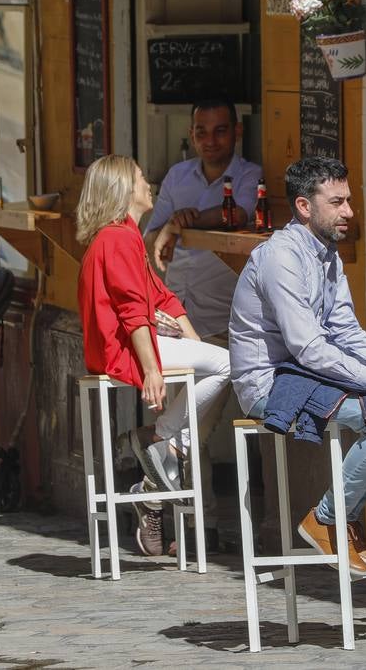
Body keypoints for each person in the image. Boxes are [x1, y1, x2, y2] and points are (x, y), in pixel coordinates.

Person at [230, 156, 366, 580]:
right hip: (270, 382)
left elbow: (346, 331)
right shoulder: (279, 258)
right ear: (305, 206)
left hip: (307, 374)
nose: (349, 212)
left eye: (349, 201)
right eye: (338, 202)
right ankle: (327, 518)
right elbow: (307, 347)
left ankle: (340, 514)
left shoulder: (328, 256)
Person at [76, 154, 234, 557]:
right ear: (124, 190)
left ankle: (159, 457)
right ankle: (160, 440)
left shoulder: (124, 233)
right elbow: (132, 310)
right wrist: (151, 370)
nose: (151, 183)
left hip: (128, 343)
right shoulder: (118, 238)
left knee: (215, 362)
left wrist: (194, 340)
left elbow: (159, 295)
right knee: (227, 364)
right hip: (124, 349)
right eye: (142, 178)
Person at [146, 98, 262, 339]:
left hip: (224, 319)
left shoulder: (249, 174)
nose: (210, 141)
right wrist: (170, 227)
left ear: (237, 131)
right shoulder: (177, 175)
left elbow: (238, 213)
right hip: (173, 316)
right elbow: (150, 239)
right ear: (191, 134)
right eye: (202, 132)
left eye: (220, 131)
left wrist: (179, 224)